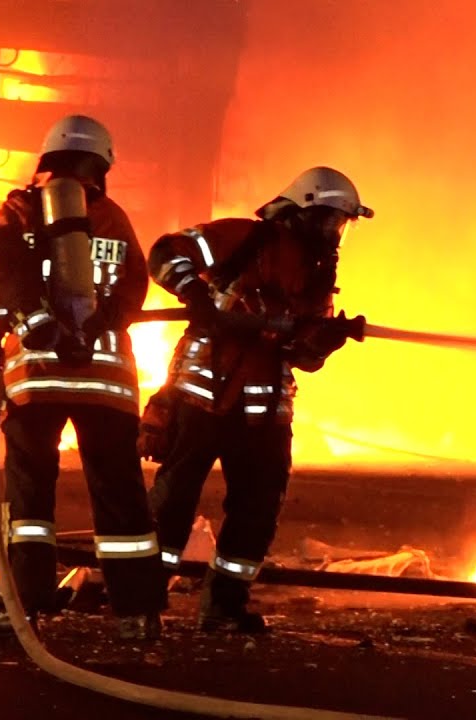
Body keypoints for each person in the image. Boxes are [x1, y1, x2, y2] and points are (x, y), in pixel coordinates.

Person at [139, 166, 370, 632]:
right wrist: (195, 295)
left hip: (264, 416)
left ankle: (224, 607)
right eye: (328, 219)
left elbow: (299, 356)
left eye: (340, 224)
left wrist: (324, 340)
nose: (333, 232)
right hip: (203, 400)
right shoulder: (244, 239)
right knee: (173, 504)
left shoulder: (320, 272)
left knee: (258, 510)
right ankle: (141, 601)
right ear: (302, 209)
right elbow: (165, 254)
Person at [0, 114, 165, 640]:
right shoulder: (113, 218)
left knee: (30, 502)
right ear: (101, 165)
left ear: (46, 160)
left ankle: (21, 611)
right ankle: (138, 614)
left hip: (37, 378)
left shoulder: (19, 210)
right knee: (120, 497)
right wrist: (103, 322)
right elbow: (134, 287)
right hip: (106, 385)